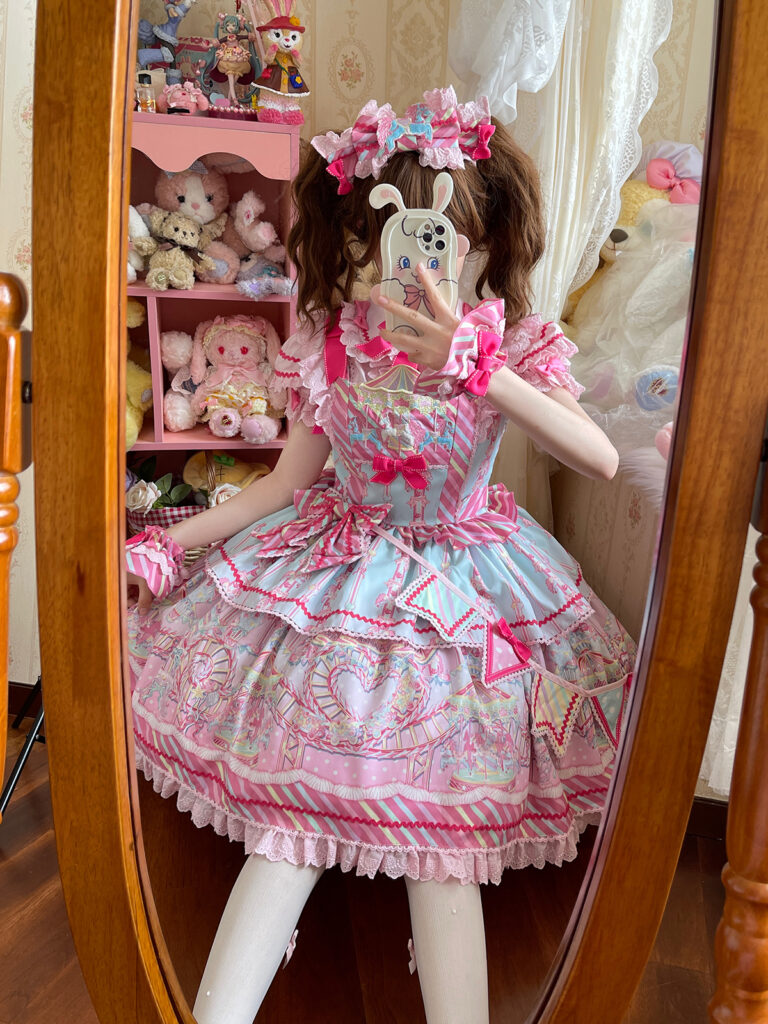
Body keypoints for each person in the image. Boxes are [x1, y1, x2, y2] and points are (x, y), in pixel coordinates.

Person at [125, 87, 635, 1024]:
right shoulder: (335, 344)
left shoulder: (511, 344)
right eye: (390, 236)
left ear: (481, 240)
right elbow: (285, 486)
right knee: (288, 827)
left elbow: (599, 458)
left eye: (446, 238)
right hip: (339, 569)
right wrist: (165, 541)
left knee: (446, 846)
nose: (417, 261)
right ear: (363, 237)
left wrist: (478, 368)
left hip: (471, 582)